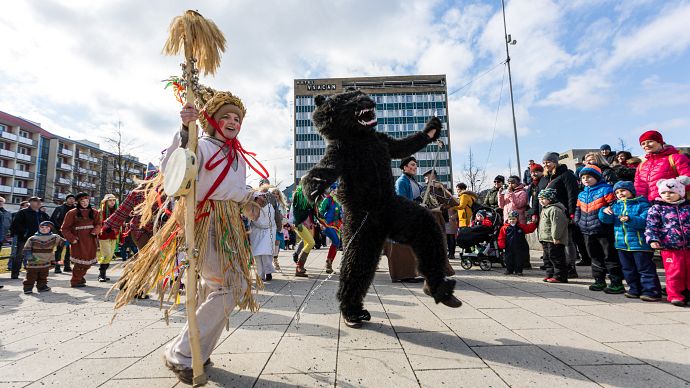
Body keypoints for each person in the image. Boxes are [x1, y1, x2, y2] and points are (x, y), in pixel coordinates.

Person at [600, 181, 661, 301]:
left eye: (623, 190)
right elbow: (607, 220)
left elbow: (645, 221)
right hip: (622, 244)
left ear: (631, 191)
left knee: (645, 269)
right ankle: (634, 289)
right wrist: (604, 212)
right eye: (617, 192)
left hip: (639, 244)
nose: (620, 194)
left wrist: (630, 219)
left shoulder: (642, 204)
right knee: (628, 269)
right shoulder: (616, 206)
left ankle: (651, 291)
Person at [575, 165, 623, 293]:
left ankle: (616, 282)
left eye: (589, 177)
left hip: (603, 229)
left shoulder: (606, 189)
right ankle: (599, 280)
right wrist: (578, 222)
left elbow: (615, 204)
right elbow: (578, 210)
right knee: (594, 256)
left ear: (596, 177)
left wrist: (610, 210)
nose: (586, 179)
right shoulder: (581, 194)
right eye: (583, 177)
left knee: (609, 255)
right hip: (587, 230)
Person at [645, 176, 690, 306]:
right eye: (664, 192)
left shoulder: (687, 207)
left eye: (671, 192)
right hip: (670, 246)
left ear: (680, 192)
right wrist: (653, 238)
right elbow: (651, 225)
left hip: (688, 246)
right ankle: (675, 295)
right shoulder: (657, 208)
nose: (667, 195)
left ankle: (687, 293)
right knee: (674, 272)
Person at [539, 152, 580, 278]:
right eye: (544, 163)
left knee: (566, 240)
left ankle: (570, 267)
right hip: (547, 214)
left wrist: (572, 213)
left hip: (562, 213)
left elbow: (572, 194)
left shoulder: (566, 175)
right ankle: (555, 268)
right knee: (551, 244)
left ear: (555, 162)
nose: (546, 165)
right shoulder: (546, 178)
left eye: (548, 162)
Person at [634, 130, 690, 202]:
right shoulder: (642, 165)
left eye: (650, 141)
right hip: (649, 206)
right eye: (643, 143)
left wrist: (673, 195)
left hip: (672, 204)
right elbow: (638, 187)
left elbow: (687, 179)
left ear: (659, 142)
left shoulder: (676, 158)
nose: (646, 145)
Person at [61, 193, 101, 288]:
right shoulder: (72, 213)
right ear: (78, 202)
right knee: (80, 262)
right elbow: (64, 228)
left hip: (91, 240)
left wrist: (95, 231)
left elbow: (98, 224)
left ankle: (80, 277)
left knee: (88, 262)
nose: (85, 203)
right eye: (82, 201)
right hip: (78, 241)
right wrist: (72, 238)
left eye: (87, 201)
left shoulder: (95, 212)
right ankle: (75, 281)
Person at [9, 197, 49, 279]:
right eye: (36, 201)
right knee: (19, 255)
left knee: (37, 257)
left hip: (39, 239)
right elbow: (15, 225)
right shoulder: (23, 212)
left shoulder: (42, 214)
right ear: (30, 202)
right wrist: (24, 233)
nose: (38, 203)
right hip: (24, 239)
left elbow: (49, 225)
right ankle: (15, 274)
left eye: (40, 201)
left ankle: (35, 274)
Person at [22, 221, 64, 294]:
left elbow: (63, 243)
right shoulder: (32, 238)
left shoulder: (55, 237)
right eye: (42, 227)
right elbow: (26, 250)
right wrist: (31, 258)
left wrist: (71, 239)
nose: (44, 229)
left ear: (51, 229)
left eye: (47, 227)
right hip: (34, 261)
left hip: (46, 261)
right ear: (39, 228)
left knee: (43, 275)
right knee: (31, 276)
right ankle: (28, 288)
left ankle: (42, 286)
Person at [538, 188, 569, 283]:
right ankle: (550, 274)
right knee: (547, 258)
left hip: (553, 239)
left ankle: (560, 276)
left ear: (550, 199)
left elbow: (557, 225)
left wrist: (556, 237)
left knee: (556, 258)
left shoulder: (554, 209)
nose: (541, 201)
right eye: (540, 199)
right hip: (546, 238)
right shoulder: (545, 209)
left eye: (543, 198)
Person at [498, 211, 537, 276]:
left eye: (514, 219)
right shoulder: (504, 228)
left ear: (517, 219)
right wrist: (501, 245)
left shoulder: (521, 227)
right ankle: (509, 270)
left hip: (519, 247)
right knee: (508, 259)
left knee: (519, 259)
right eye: (510, 219)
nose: (512, 220)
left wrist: (534, 224)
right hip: (509, 246)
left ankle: (518, 270)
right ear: (508, 219)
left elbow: (529, 229)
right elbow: (501, 237)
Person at [250, 192, 276, 282]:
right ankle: (260, 275)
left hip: (268, 230)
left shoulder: (270, 205)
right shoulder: (252, 206)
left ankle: (268, 272)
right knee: (257, 254)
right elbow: (252, 219)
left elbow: (275, 216)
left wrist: (279, 226)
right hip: (256, 232)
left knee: (265, 253)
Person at [291, 183, 315, 277]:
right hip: (300, 223)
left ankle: (300, 266)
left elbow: (311, 210)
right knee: (311, 242)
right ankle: (299, 267)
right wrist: (297, 222)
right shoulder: (298, 194)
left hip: (306, 223)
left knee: (308, 242)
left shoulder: (307, 194)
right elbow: (294, 210)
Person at [319, 183, 343, 274]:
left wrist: (341, 222)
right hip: (328, 225)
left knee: (336, 244)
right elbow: (320, 211)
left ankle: (329, 264)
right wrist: (321, 222)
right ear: (332, 190)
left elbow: (340, 215)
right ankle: (328, 263)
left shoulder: (338, 202)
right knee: (336, 242)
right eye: (335, 190)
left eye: (337, 190)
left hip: (336, 226)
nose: (336, 192)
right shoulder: (327, 200)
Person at [50, 194, 76, 273]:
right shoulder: (59, 208)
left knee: (69, 250)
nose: (71, 200)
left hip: (70, 234)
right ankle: (57, 267)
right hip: (60, 233)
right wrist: (58, 230)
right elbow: (53, 220)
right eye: (70, 198)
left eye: (73, 199)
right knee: (59, 251)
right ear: (66, 199)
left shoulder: (75, 209)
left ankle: (67, 266)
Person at [97, 194, 119, 282]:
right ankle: (101, 274)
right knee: (106, 254)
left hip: (114, 236)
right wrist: (105, 228)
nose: (112, 202)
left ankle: (103, 274)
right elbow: (98, 224)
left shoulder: (118, 212)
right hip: (104, 236)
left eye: (114, 200)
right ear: (106, 202)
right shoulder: (100, 212)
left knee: (110, 256)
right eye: (110, 200)